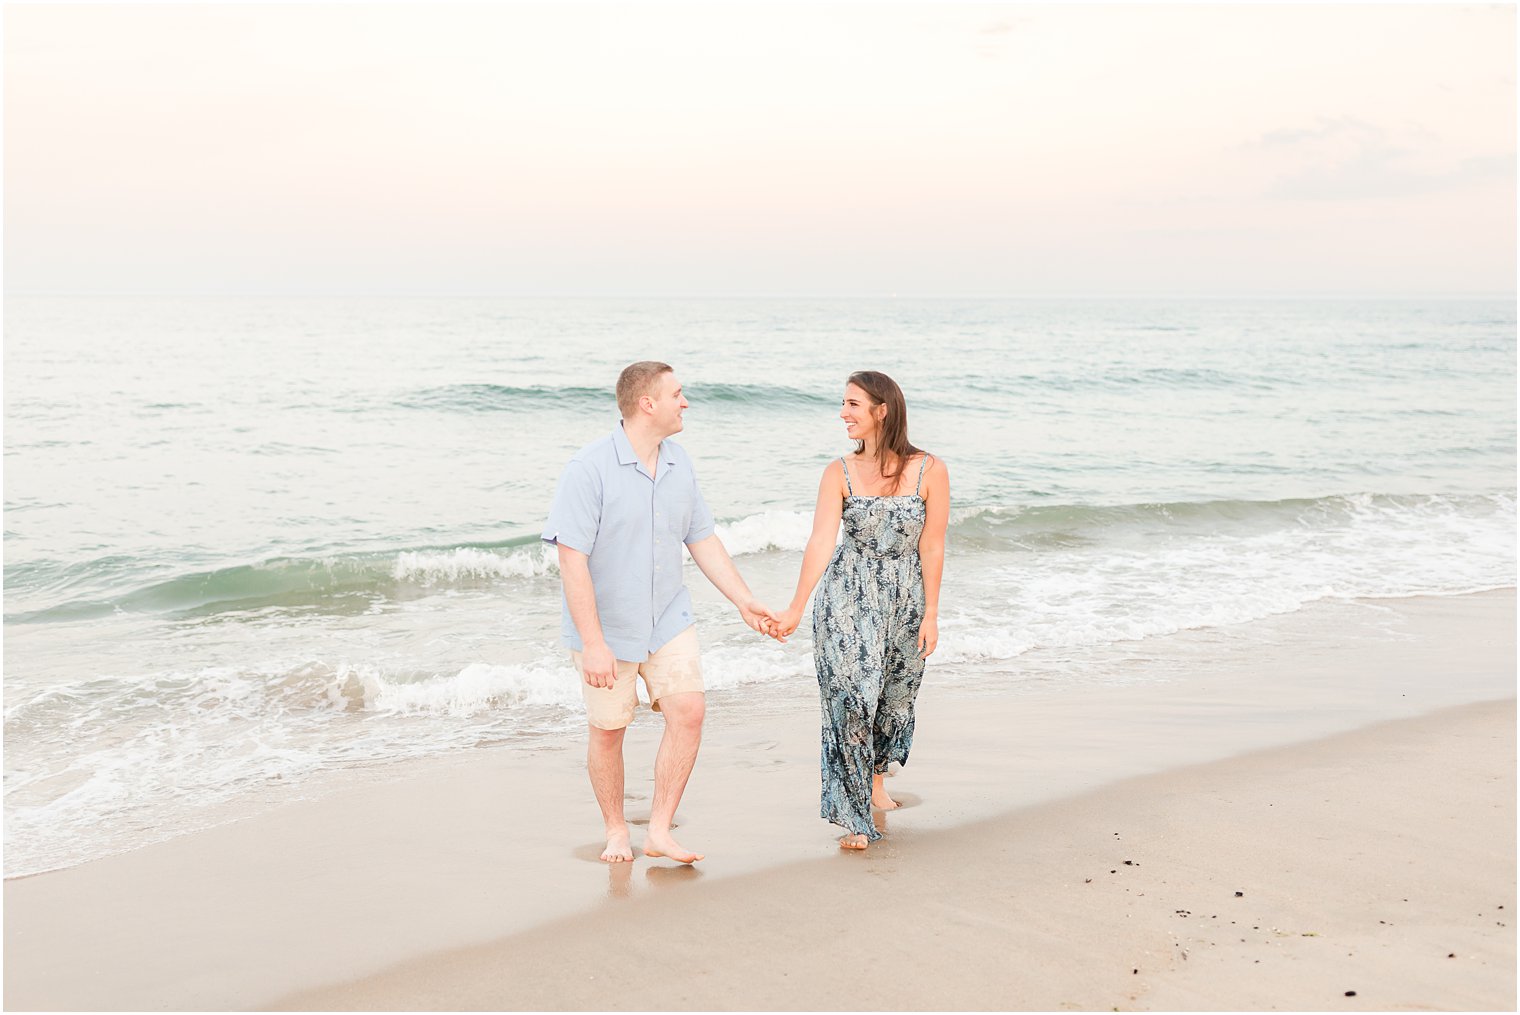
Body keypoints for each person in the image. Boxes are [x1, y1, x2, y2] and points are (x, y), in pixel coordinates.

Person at [544, 361, 779, 865]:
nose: (685, 402)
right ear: (647, 403)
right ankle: (614, 830)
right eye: (677, 393)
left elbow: (702, 538)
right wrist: (593, 643)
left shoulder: (679, 463)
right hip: (606, 628)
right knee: (609, 731)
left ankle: (658, 829)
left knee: (689, 711)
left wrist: (744, 600)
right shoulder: (587, 469)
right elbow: (571, 560)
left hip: (669, 617)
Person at [774, 370, 949, 849]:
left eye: (853, 404)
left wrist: (931, 613)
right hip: (847, 599)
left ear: (882, 410)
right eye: (844, 403)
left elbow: (932, 547)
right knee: (851, 698)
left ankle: (875, 780)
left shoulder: (930, 469)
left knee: (894, 697)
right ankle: (854, 815)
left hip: (906, 599)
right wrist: (794, 607)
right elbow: (819, 542)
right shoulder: (839, 471)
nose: (843, 413)